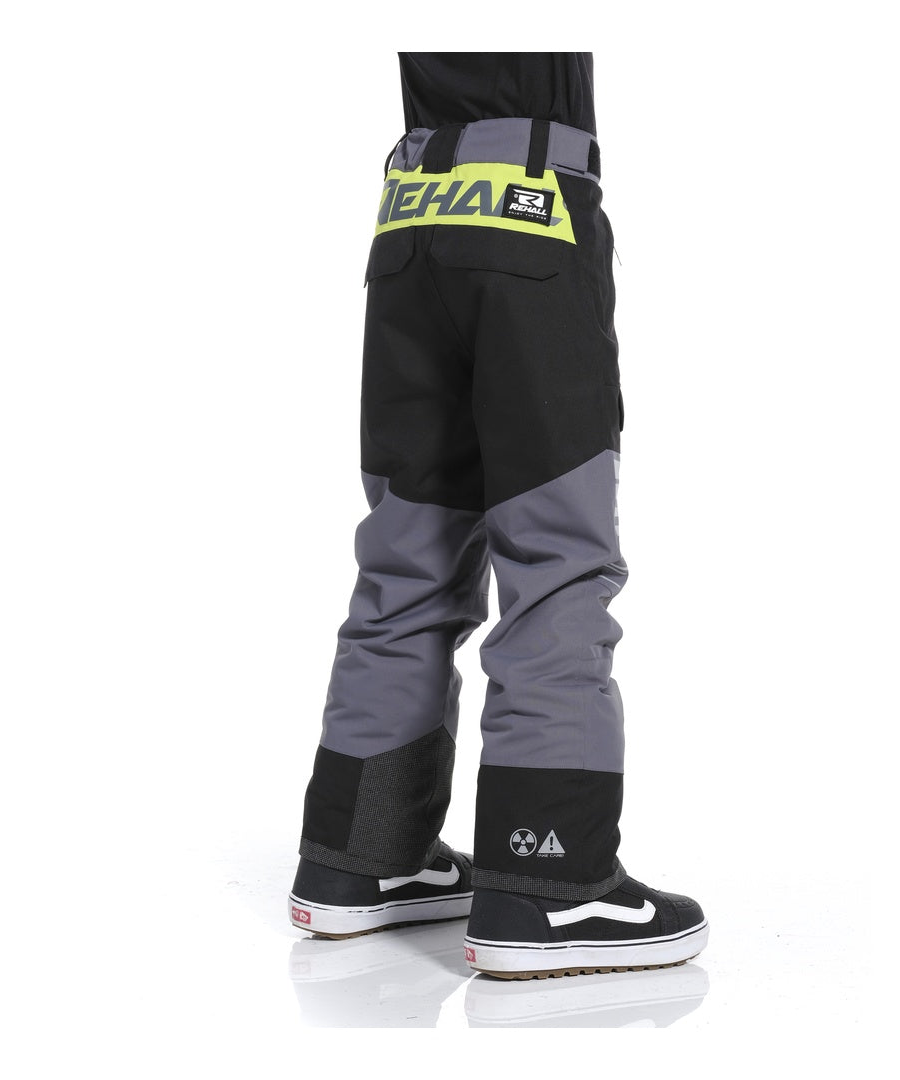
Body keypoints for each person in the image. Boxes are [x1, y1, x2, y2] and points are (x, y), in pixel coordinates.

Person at [289, 52, 708, 979]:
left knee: (408, 553)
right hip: (532, 206)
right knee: (557, 558)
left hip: (412, 218)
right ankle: (550, 881)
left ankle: (361, 856)